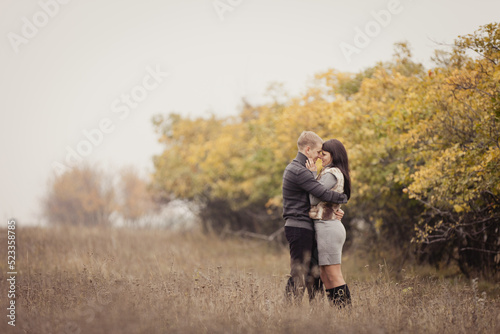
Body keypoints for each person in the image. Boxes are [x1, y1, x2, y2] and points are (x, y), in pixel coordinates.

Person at [282, 131, 347, 303]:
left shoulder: (302, 169)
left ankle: (316, 313)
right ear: (308, 149)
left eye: (322, 153)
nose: (319, 156)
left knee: (314, 273)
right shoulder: (299, 171)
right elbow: (319, 193)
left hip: (308, 226)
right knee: (300, 272)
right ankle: (289, 312)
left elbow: (317, 199)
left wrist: (334, 211)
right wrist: (342, 198)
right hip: (299, 226)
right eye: (318, 152)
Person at [307, 138, 351, 307]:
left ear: (334, 155)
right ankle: (338, 312)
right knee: (325, 275)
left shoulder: (331, 173)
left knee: (333, 274)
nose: (320, 157)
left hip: (328, 229)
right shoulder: (331, 172)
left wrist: (311, 175)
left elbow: (312, 197)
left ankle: (346, 312)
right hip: (326, 227)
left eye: (323, 154)